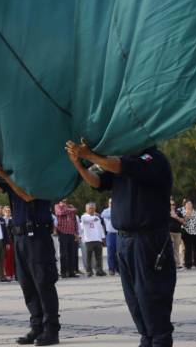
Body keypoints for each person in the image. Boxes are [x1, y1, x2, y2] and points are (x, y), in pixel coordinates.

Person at [66, 139, 175, 347]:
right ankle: (147, 339)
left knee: (152, 297)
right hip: (125, 240)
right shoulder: (122, 163)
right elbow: (97, 182)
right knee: (134, 299)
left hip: (148, 240)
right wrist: (79, 164)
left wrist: (89, 155)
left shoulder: (153, 159)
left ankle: (160, 340)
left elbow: (122, 166)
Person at [0, 166, 59, 346]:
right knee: (27, 285)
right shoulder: (13, 181)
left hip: (38, 237)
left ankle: (51, 330)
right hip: (20, 238)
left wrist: (6, 177)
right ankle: (37, 326)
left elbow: (28, 196)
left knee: (43, 283)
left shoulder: (40, 178)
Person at [54, 200, 79, 278]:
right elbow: (60, 213)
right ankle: (64, 272)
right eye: (63, 200)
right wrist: (70, 209)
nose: (64, 202)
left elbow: (74, 221)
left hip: (71, 233)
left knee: (72, 253)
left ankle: (71, 272)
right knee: (64, 254)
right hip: (62, 232)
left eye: (65, 201)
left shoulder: (70, 207)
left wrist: (76, 233)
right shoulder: (57, 206)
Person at [80, 203, 106, 277]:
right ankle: (89, 271)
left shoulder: (97, 217)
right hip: (88, 240)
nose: (92, 210)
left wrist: (103, 237)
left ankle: (99, 270)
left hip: (97, 239)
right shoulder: (84, 216)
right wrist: (95, 216)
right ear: (86, 209)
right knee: (89, 257)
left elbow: (100, 228)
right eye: (90, 208)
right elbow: (88, 219)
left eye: (93, 208)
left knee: (99, 257)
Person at [181, 202, 196, 269]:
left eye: (190, 204)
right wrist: (187, 214)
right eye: (187, 205)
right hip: (187, 232)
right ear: (185, 206)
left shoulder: (195, 212)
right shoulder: (183, 212)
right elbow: (183, 221)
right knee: (188, 248)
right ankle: (188, 264)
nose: (189, 206)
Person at [101, 199, 118, 275]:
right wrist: (115, 213)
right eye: (111, 202)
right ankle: (111, 269)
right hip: (110, 234)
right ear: (108, 203)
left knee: (119, 253)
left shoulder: (118, 209)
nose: (112, 203)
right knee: (111, 253)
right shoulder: (105, 211)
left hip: (118, 233)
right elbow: (103, 215)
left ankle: (118, 269)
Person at [168, 200, 184, 269]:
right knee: (170, 248)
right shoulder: (166, 212)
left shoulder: (178, 212)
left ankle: (177, 264)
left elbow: (183, 221)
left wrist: (176, 217)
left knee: (176, 249)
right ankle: (171, 263)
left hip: (178, 232)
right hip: (170, 232)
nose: (172, 206)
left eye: (173, 204)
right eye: (171, 204)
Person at [2, 206, 16, 281]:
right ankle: (7, 274)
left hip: (12, 240)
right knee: (7, 258)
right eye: (6, 211)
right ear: (4, 212)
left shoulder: (12, 219)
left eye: (9, 211)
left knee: (12, 258)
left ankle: (13, 273)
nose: (8, 212)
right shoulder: (2, 220)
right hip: (5, 241)